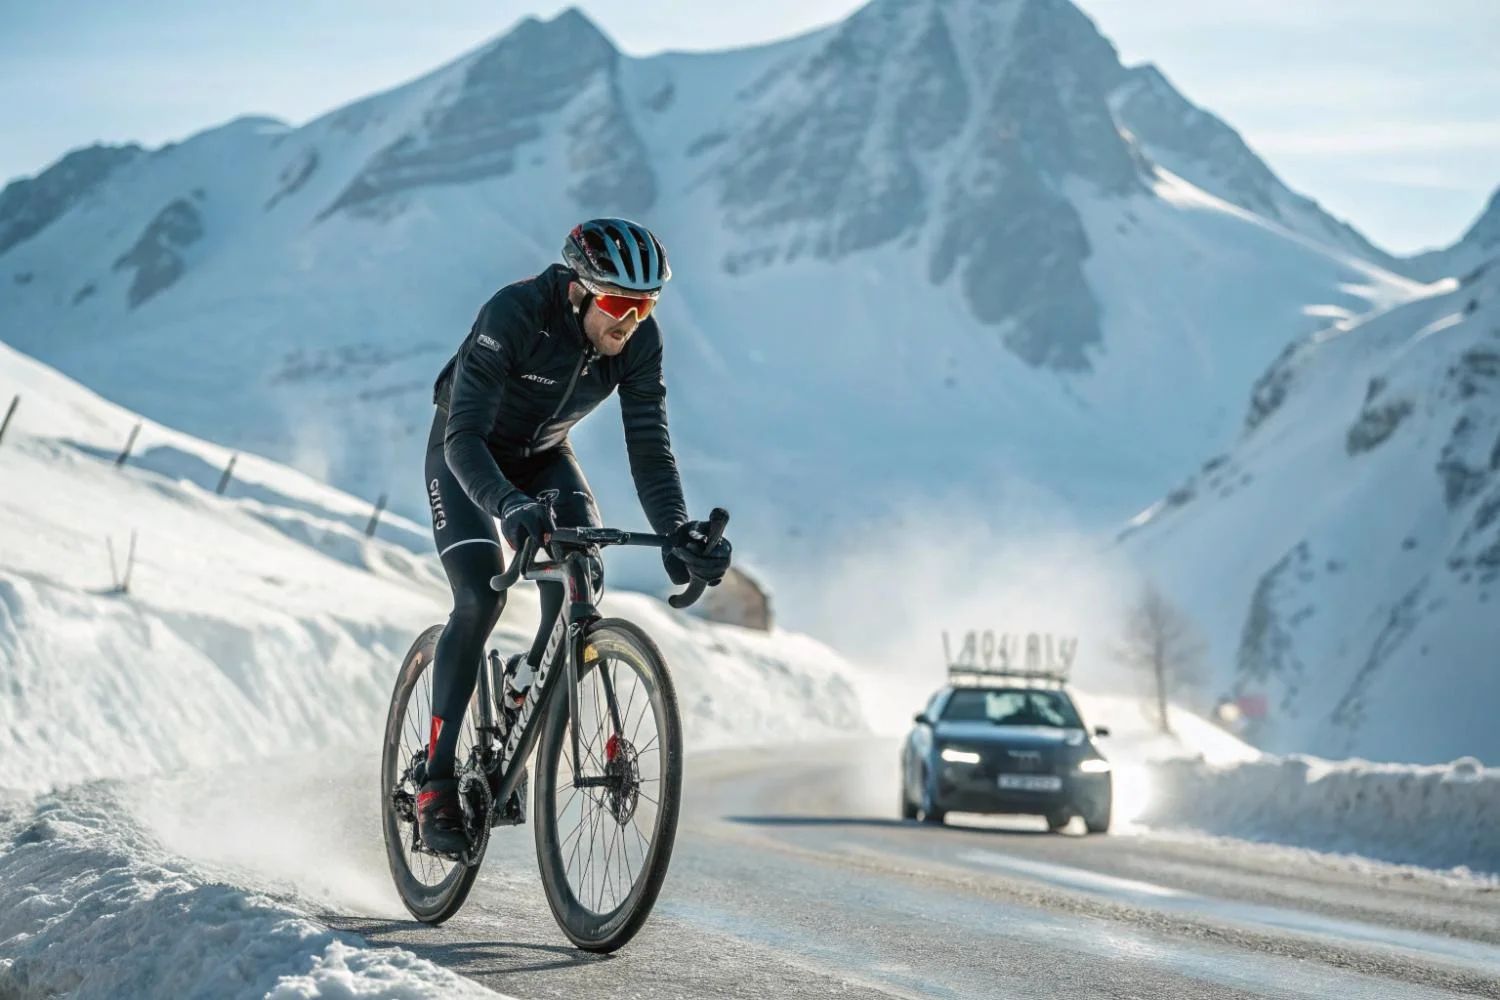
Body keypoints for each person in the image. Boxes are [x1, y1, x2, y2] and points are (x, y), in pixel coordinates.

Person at [417, 218, 733, 856]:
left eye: (646, 306)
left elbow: (650, 446)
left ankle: (524, 688)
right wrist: (507, 503)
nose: (632, 322)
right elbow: (464, 438)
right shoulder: (515, 314)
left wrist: (677, 531)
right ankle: (436, 781)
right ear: (578, 291)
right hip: (467, 455)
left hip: (545, 457)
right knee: (481, 597)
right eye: (619, 305)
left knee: (580, 576)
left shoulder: (639, 343)